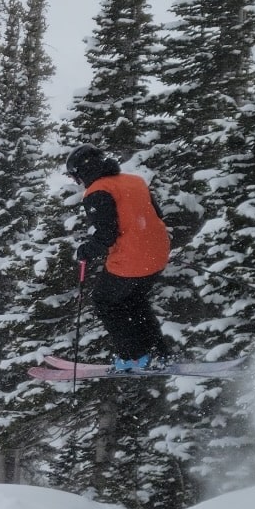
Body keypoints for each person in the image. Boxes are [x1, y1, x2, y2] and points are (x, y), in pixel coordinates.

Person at [64, 143, 171, 371]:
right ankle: (160, 353)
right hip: (158, 255)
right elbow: (155, 215)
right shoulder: (135, 180)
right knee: (134, 300)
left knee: (105, 301)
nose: (78, 183)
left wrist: (85, 251)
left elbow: (107, 234)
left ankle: (133, 357)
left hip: (132, 260)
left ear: (82, 171)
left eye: (75, 178)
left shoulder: (97, 192)